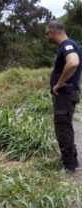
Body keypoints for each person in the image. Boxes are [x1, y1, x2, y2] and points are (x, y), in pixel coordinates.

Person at [45, 21, 82, 172]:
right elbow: (80, 69)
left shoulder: (67, 45)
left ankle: (69, 165)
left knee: (62, 127)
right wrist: (78, 86)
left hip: (64, 94)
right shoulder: (72, 45)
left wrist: (59, 84)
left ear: (53, 32)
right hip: (70, 93)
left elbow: (73, 63)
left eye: (46, 33)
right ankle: (71, 158)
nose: (46, 37)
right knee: (65, 125)